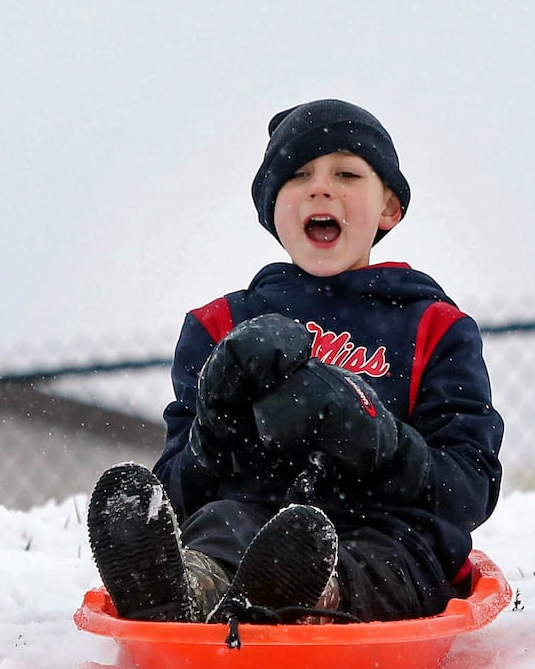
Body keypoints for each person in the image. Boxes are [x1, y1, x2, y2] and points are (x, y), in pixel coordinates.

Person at [87, 99, 503, 625]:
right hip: (251, 522)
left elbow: (469, 489)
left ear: (389, 209)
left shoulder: (435, 328)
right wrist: (215, 427)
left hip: (382, 529)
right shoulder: (220, 326)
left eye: (347, 173)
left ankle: (314, 593)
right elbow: (178, 492)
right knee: (222, 523)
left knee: (398, 558)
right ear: (272, 210)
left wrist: (380, 442)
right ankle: (185, 589)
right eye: (298, 174)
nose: (320, 187)